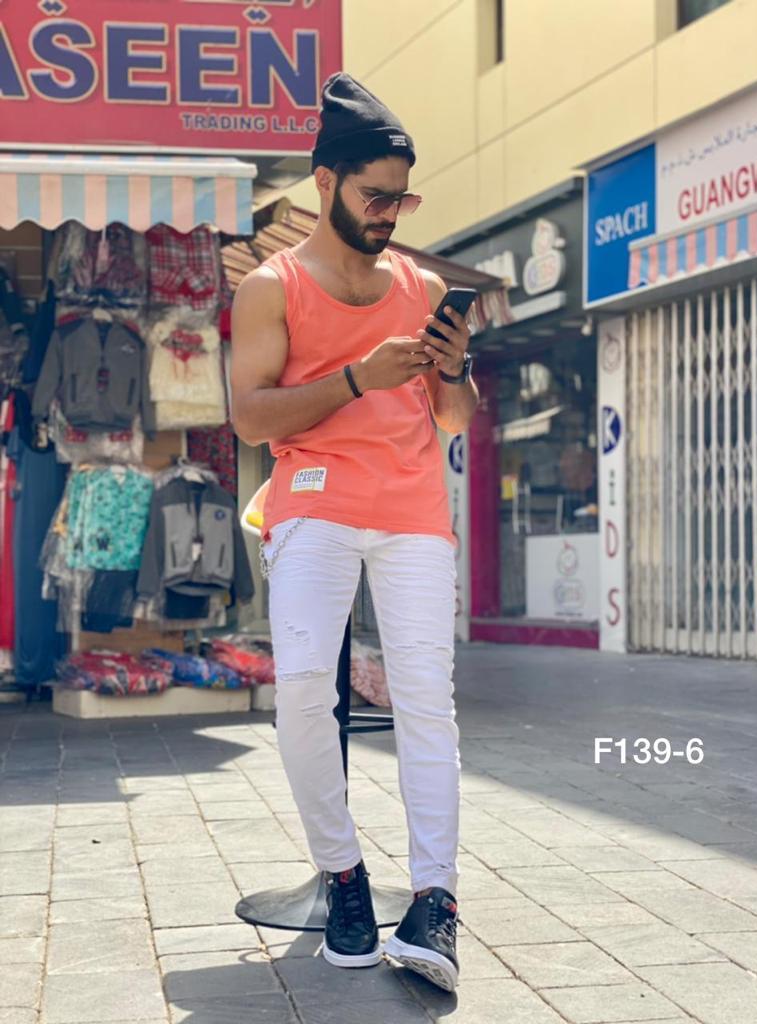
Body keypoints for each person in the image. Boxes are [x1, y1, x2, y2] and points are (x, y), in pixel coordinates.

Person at [231, 72, 478, 993]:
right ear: (326, 181)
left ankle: (437, 900)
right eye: (377, 196)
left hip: (413, 508)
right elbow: (251, 418)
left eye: (402, 198)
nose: (389, 214)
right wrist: (356, 379)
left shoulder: (423, 285)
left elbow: (452, 419)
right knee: (303, 690)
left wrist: (455, 370)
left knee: (425, 702)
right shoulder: (271, 288)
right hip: (313, 500)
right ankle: (343, 878)